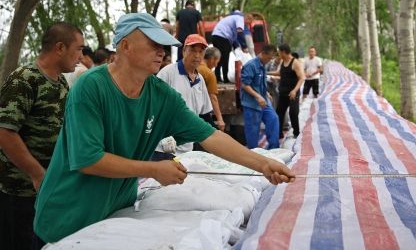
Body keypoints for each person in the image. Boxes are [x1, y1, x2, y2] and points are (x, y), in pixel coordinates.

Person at [32, 13, 295, 247]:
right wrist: (154, 169)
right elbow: (89, 160)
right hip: (66, 218)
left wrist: (262, 164)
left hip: (112, 217)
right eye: (153, 44)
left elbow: (211, 136)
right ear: (124, 45)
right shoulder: (90, 88)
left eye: (164, 46)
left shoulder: (161, 96)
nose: (162, 52)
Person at [0, 22, 84, 250]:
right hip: (19, 192)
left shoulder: (61, 84)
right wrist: (37, 174)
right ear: (60, 48)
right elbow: (5, 132)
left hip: (47, 191)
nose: (81, 56)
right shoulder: (25, 79)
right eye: (78, 49)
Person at [156, 34, 213, 156]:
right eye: (192, 50)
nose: (197, 55)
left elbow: (203, 114)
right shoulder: (167, 73)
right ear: (183, 51)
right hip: (163, 147)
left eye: (201, 51)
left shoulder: (200, 79)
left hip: (187, 147)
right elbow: (154, 108)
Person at [240, 44, 280, 149]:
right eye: (269, 57)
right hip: (252, 103)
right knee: (253, 131)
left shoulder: (263, 65)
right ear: (262, 53)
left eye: (272, 58)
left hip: (263, 101)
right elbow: (245, 85)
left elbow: (260, 83)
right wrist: (257, 96)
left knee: (273, 119)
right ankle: (254, 154)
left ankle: (274, 149)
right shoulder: (251, 65)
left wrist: (265, 93)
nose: (270, 60)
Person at [273, 43, 305, 139]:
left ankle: (296, 133)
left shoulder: (295, 63)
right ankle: (279, 134)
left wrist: (295, 90)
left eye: (279, 52)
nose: (278, 54)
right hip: (283, 92)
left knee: (293, 113)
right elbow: (279, 73)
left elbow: (302, 78)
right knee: (279, 113)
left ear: (283, 52)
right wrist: (266, 72)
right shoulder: (282, 62)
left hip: (293, 93)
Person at [212, 13, 253, 83]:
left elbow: (234, 38)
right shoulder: (240, 19)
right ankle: (225, 79)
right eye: (248, 23)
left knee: (220, 58)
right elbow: (240, 32)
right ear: (247, 18)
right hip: (222, 36)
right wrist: (244, 46)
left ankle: (217, 78)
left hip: (216, 35)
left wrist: (236, 47)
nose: (247, 25)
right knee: (225, 58)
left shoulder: (234, 20)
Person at [198, 47, 225, 131]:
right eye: (217, 62)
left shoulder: (192, 68)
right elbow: (213, 97)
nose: (216, 65)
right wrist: (220, 119)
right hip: (202, 110)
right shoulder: (208, 73)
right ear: (212, 59)